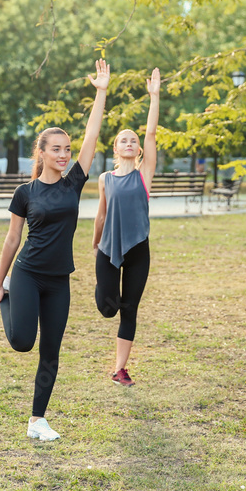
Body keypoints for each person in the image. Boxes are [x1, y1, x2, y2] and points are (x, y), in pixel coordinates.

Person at [0, 60, 108, 441]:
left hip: (59, 279)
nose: (65, 155)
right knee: (22, 343)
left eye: (67, 149)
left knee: (51, 350)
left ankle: (37, 420)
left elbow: (92, 137)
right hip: (28, 274)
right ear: (42, 152)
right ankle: (2, 298)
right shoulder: (26, 193)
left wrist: (100, 92)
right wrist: (0, 282)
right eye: (57, 150)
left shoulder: (74, 183)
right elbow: (12, 240)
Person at [92, 67, 161, 387]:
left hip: (137, 249)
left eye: (133, 140)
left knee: (129, 309)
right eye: (124, 140)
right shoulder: (105, 178)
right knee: (108, 308)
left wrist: (154, 97)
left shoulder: (144, 173)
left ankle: (121, 368)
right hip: (107, 248)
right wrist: (95, 242)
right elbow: (101, 215)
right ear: (116, 148)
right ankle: (111, 297)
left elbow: (151, 134)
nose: (131, 142)